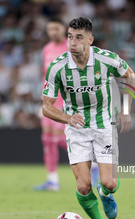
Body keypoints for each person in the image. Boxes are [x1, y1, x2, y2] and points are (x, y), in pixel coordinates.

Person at [42, 17, 134, 219]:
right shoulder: (58, 67)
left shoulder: (106, 59)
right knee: (83, 187)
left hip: (104, 125)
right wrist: (66, 117)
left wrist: (126, 110)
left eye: (79, 38)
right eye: (70, 37)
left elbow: (129, 75)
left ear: (90, 40)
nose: (72, 42)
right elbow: (46, 106)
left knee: (108, 182)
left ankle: (105, 194)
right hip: (77, 129)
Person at [33, 18, 99, 191]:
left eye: (56, 28)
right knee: (47, 139)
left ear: (64, 30)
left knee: (63, 137)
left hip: (67, 99)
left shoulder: (70, 48)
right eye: (50, 29)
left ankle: (93, 164)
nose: (53, 32)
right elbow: (46, 76)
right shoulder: (46, 49)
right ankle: (52, 180)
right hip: (50, 100)